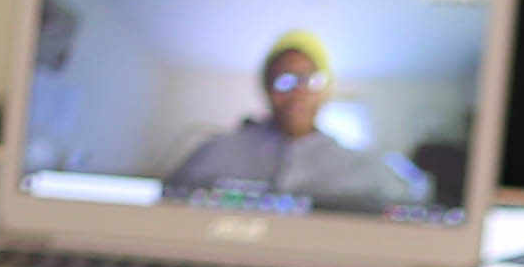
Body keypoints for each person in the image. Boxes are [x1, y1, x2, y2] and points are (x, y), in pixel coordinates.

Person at [156, 30, 429, 212]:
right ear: (267, 89)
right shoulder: (214, 152)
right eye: (284, 80)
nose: (298, 91)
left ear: (325, 89)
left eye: (309, 79)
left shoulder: (368, 168)